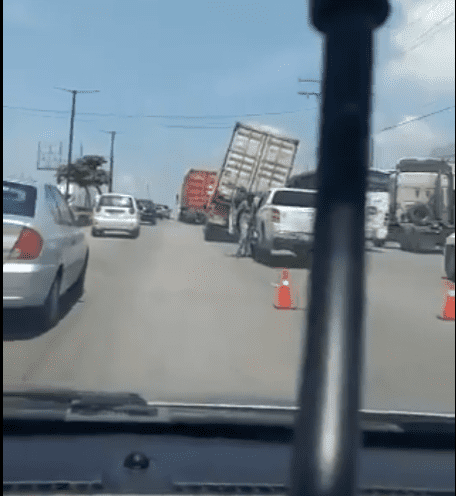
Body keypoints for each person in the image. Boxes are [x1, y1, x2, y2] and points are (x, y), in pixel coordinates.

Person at [236, 193, 256, 258]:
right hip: (243, 220)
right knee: (243, 236)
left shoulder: (253, 205)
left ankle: (247, 252)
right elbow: (238, 212)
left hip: (250, 222)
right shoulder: (244, 203)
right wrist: (237, 222)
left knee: (249, 237)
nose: (251, 199)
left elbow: (254, 213)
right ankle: (239, 251)